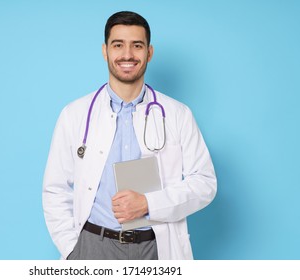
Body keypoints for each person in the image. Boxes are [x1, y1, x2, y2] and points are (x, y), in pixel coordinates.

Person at [42, 11, 216, 260]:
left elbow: (205, 183)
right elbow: (55, 189)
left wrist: (148, 203)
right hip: (92, 246)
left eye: (137, 45)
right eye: (118, 45)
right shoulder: (75, 114)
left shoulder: (178, 114)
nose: (127, 54)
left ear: (149, 52)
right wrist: (72, 250)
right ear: (105, 51)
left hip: (155, 247)